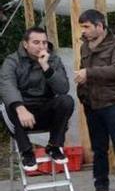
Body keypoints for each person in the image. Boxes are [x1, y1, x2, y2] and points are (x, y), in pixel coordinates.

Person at [75, 9, 115, 191]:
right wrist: (82, 91)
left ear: (99, 26)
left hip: (113, 103)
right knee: (98, 148)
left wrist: (88, 73)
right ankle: (101, 186)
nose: (83, 31)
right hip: (92, 104)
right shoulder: (84, 47)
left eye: (86, 26)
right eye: (82, 27)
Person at [0, 27, 75, 170]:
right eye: (36, 42)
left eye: (44, 43)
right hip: (21, 113)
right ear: (25, 44)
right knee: (8, 105)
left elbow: (63, 88)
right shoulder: (12, 61)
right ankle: (26, 152)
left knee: (66, 100)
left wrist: (46, 67)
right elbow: (6, 85)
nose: (41, 46)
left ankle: (54, 146)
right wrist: (20, 107)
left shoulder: (53, 60)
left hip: (44, 109)